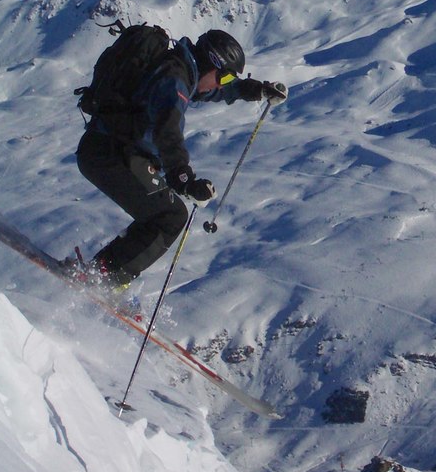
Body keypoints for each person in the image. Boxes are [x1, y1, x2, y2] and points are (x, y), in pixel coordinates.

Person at [69, 29, 287, 292]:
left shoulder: (182, 72)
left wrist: (255, 90)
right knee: (170, 216)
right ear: (211, 62)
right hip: (111, 154)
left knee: (164, 215)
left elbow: (212, 91)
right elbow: (168, 130)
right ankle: (103, 279)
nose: (223, 83)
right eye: (225, 75)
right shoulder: (175, 81)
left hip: (108, 149)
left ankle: (102, 274)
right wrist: (184, 179)